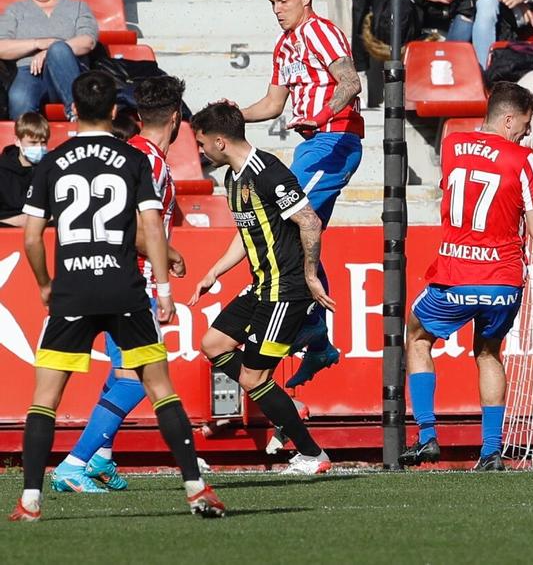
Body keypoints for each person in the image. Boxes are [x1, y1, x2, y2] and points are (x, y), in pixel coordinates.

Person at [10, 73, 222, 522]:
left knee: (44, 398)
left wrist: (46, 284)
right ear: (114, 112)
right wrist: (164, 288)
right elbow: (148, 229)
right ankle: (195, 489)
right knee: (158, 387)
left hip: (71, 289)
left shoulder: (52, 161)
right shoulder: (133, 159)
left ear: (71, 110)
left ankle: (30, 500)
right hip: (125, 286)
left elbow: (32, 238)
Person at [43, 76, 186, 494]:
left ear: (140, 116)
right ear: (176, 119)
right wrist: (168, 258)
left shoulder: (136, 154)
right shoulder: (149, 162)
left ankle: (101, 457)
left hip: (112, 275)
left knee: (124, 372)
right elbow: (132, 224)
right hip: (131, 279)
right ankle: (73, 463)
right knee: (136, 378)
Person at [399, 82, 533, 471]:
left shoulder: (451, 145)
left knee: (416, 338)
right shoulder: (522, 158)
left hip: (455, 274)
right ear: (509, 118)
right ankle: (491, 451)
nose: (527, 132)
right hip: (502, 279)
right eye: (526, 123)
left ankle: (428, 435)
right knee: (487, 352)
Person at [185, 101, 333, 476]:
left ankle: (313, 454)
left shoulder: (267, 171)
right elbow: (246, 230)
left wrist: (312, 274)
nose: (200, 152)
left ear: (220, 141)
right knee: (213, 344)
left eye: (202, 144)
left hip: (287, 290)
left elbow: (309, 221)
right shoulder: (233, 178)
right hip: (261, 286)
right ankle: (279, 401)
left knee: (252, 378)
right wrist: (214, 271)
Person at [232, 0, 364, 386]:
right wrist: (232, 115)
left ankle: (310, 324)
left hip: (335, 138)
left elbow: (350, 81)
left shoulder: (321, 32)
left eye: (283, 0)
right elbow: (273, 104)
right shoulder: (284, 45)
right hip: (310, 143)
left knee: (286, 218)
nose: (277, 9)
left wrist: (323, 113)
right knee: (293, 226)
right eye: (272, 2)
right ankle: (318, 336)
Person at [0, 0, 97, 118]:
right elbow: (2, 46)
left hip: (67, 69)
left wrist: (51, 51)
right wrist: (38, 43)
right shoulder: (15, 11)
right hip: (27, 72)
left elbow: (87, 41)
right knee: (19, 98)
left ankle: (75, 114)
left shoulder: (78, 7)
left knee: (58, 49)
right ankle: (25, 141)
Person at [0, 110, 43, 225]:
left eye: (43, 143)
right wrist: (21, 220)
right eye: (33, 143)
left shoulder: (50, 168)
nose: (39, 148)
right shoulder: (2, 171)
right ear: (17, 141)